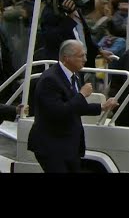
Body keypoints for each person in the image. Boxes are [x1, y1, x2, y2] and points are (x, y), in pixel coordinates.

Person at [27, 40, 118, 173]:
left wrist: (102, 107)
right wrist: (81, 95)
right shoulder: (50, 79)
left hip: (68, 145)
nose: (85, 59)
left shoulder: (73, 75)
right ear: (66, 58)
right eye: (81, 56)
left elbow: (75, 107)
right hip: (51, 145)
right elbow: (59, 112)